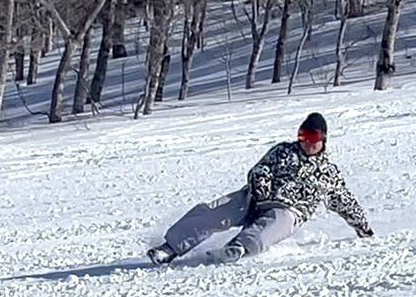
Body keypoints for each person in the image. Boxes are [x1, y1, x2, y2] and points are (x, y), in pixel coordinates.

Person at [147, 112, 373, 265]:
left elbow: (345, 202)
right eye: (302, 135)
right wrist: (260, 182)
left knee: (274, 224)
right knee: (212, 212)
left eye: (312, 136)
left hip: (290, 210)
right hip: (255, 198)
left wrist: (363, 228)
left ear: (323, 139)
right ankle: (170, 247)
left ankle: (237, 249)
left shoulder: (328, 173)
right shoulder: (284, 151)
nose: (306, 141)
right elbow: (261, 168)